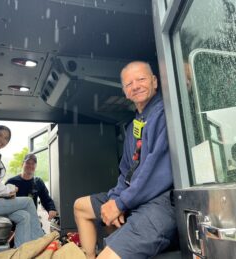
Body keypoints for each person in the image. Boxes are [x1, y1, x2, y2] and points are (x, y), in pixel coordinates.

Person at [73, 61, 177, 259]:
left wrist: (121, 204)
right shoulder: (134, 125)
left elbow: (155, 172)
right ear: (125, 91)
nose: (135, 86)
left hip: (159, 202)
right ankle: (89, 255)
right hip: (135, 197)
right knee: (80, 206)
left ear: (155, 82)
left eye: (141, 79)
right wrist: (115, 199)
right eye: (129, 84)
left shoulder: (164, 114)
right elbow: (126, 171)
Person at [6, 153, 58, 220]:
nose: (30, 165)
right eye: (27, 163)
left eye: (33, 164)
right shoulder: (12, 182)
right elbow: (3, 201)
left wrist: (51, 209)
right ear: (22, 164)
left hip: (31, 218)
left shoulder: (38, 182)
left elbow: (46, 199)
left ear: (35, 166)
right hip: (13, 219)